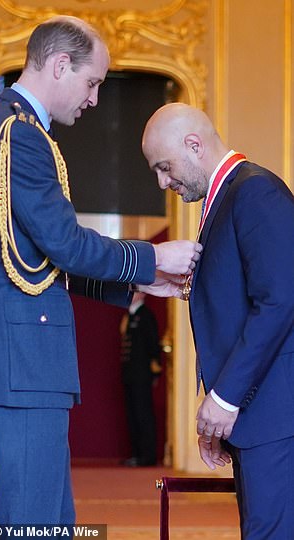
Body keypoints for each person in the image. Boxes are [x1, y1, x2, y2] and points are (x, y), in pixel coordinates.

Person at [0, 20, 203, 528]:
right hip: (24, 361)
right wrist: (153, 258)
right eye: (93, 82)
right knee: (32, 524)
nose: (95, 99)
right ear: (61, 66)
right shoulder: (18, 135)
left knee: (49, 520)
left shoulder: (16, 129)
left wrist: (134, 280)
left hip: (23, 361)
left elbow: (38, 257)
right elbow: (64, 243)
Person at [142, 102, 294, 539]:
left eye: (165, 167)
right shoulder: (230, 195)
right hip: (260, 417)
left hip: (274, 417)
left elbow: (281, 300)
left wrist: (225, 399)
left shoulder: (255, 192)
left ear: (194, 145)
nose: (162, 181)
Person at [120, 291, 162, 467]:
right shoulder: (129, 316)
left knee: (143, 414)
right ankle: (137, 454)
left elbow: (153, 345)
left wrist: (155, 371)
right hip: (130, 374)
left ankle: (147, 455)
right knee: (133, 415)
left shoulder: (145, 316)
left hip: (142, 374)